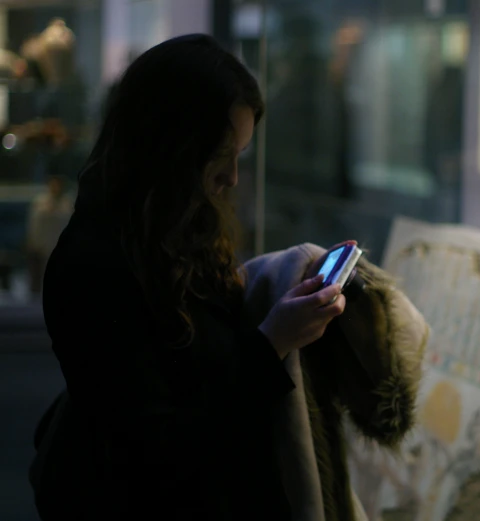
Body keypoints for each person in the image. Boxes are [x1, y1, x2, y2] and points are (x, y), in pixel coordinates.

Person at [32, 34, 370, 520]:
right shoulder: (92, 265)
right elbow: (164, 449)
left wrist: (281, 292)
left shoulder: (180, 226)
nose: (232, 177)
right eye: (219, 155)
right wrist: (272, 340)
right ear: (167, 146)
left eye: (241, 155)